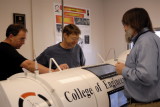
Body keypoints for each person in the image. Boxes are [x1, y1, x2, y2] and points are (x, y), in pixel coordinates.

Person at [115, 8, 160, 107]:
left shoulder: (145, 42)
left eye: (125, 25)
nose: (124, 28)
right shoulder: (151, 38)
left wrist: (123, 70)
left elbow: (147, 76)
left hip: (145, 104)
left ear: (135, 24)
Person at [0, 24, 68, 81]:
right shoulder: (5, 48)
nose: (23, 42)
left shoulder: (7, 48)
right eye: (21, 39)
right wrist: (53, 72)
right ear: (11, 36)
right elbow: (28, 64)